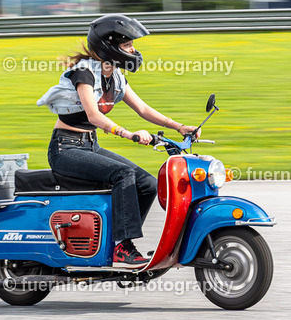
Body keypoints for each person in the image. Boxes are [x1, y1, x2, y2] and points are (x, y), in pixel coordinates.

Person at [36, 14, 198, 265]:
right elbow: (93, 115)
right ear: (109, 46)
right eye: (128, 45)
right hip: (65, 149)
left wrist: (180, 127)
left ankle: (113, 241)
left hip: (90, 145)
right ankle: (123, 246)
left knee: (147, 184)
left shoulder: (116, 76)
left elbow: (143, 109)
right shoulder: (84, 73)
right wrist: (127, 133)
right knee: (123, 174)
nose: (134, 50)